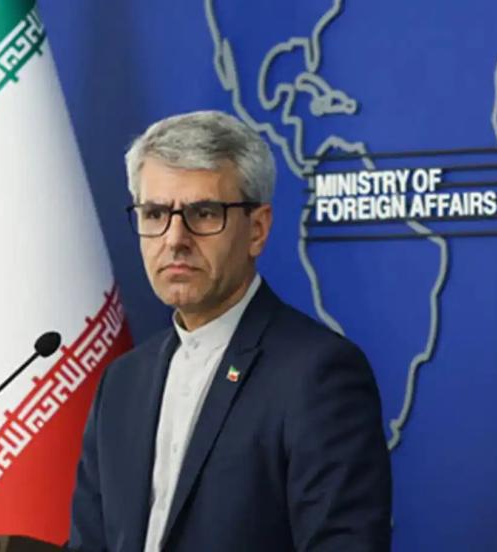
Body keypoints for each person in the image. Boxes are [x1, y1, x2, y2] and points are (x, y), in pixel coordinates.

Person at [69, 110, 391, 551]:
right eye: (155, 213)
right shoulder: (122, 382)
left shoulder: (318, 374)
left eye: (203, 213)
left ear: (257, 229)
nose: (174, 239)